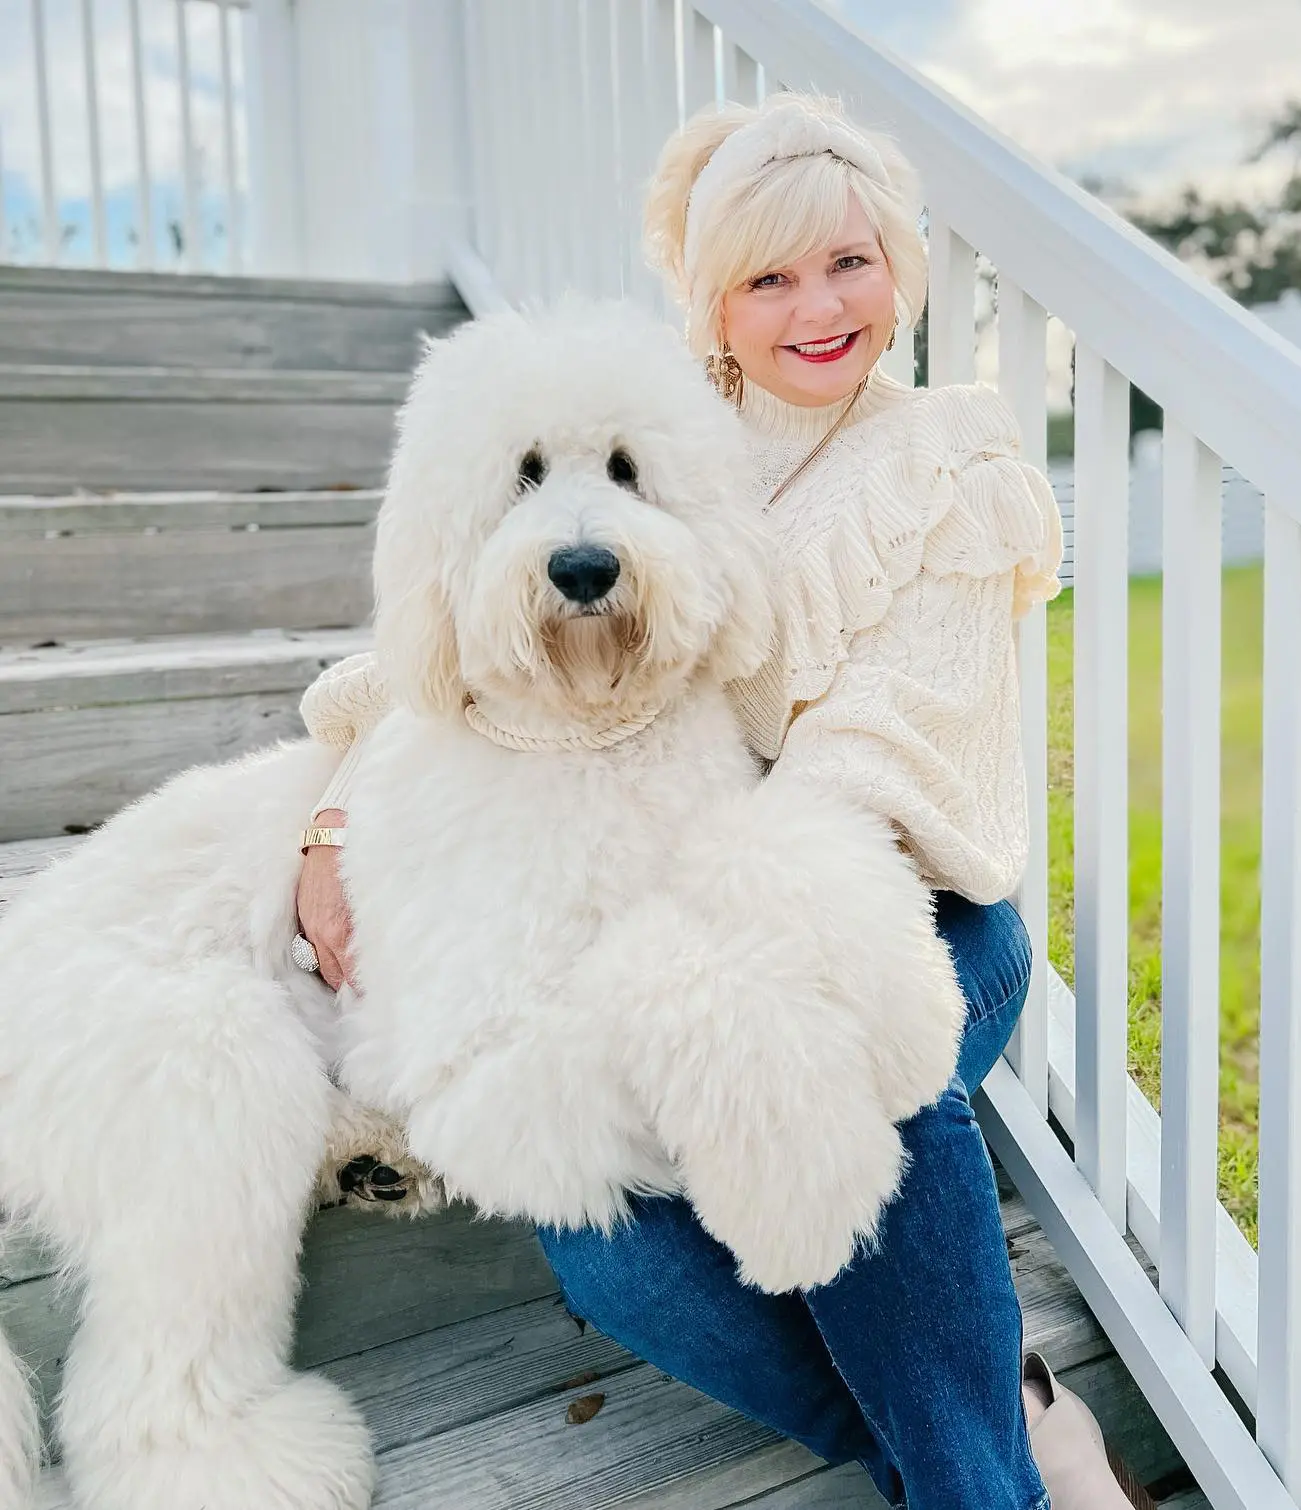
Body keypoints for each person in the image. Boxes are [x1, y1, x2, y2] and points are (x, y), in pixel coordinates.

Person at [293, 92, 1145, 1510]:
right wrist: (330, 812)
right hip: (687, 939)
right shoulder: (661, 440)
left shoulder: (948, 453)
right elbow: (434, 645)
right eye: (769, 275)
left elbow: (865, 768)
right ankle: (1018, 1421)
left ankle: (976, 1492)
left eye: (850, 262)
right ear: (712, 296)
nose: (818, 307)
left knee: (869, 1081)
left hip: (909, 916)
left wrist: (713, 980)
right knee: (598, 1243)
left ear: (901, 270)